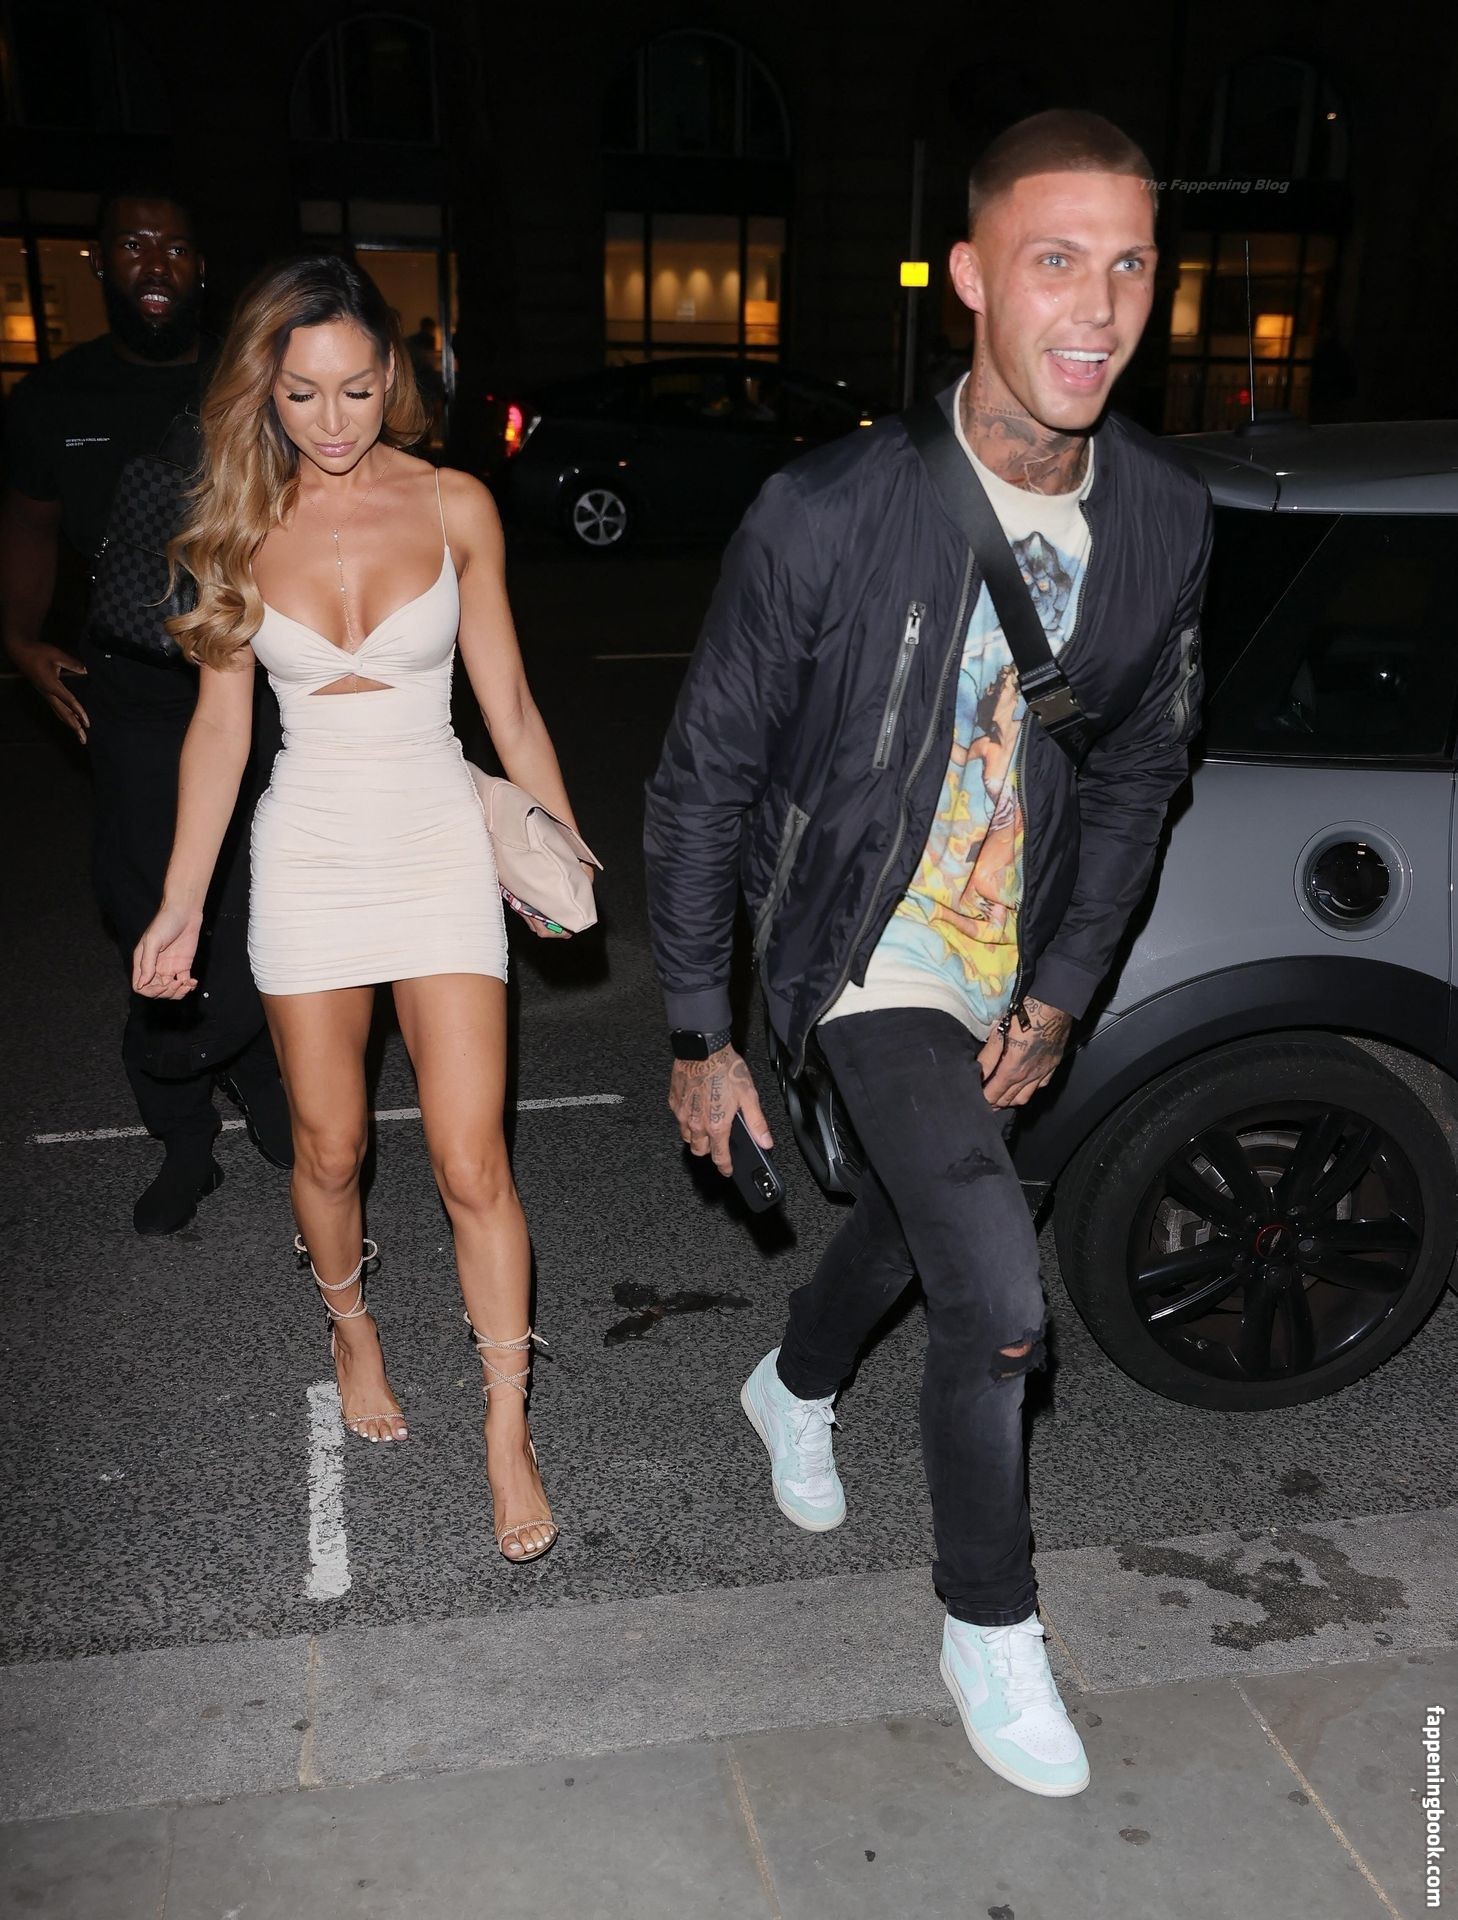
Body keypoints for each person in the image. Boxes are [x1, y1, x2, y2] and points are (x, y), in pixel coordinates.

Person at [644, 110, 1211, 1795]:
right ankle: (987, 1623)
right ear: (970, 275)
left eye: (1129, 266)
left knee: (910, 1218)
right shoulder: (825, 510)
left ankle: (793, 1379)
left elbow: (1138, 770)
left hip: (1014, 949)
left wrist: (1060, 992)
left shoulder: (1166, 517)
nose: (1095, 306)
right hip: (863, 941)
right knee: (997, 1288)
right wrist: (698, 1029)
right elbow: (703, 778)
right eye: (1056, 260)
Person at [132, 254, 586, 1563]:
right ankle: (349, 1325)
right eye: (301, 394)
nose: (331, 421)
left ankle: (506, 1422)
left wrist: (561, 855)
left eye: (355, 388)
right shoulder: (235, 520)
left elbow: (508, 705)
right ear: (263, 392)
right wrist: (178, 903)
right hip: (309, 858)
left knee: (472, 1159)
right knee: (328, 1152)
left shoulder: (456, 505)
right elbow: (221, 732)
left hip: (437, 844)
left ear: (393, 373)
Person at [0, 188, 292, 1234]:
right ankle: (182, 1135)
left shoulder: (250, 378)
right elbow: (30, 525)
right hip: (132, 689)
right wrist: (20, 638)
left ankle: (259, 1075)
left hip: (257, 678)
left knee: (262, 902)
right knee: (151, 910)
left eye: (175, 244)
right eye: (133, 244)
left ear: (201, 265)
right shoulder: (55, 397)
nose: (155, 262)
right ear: (102, 263)